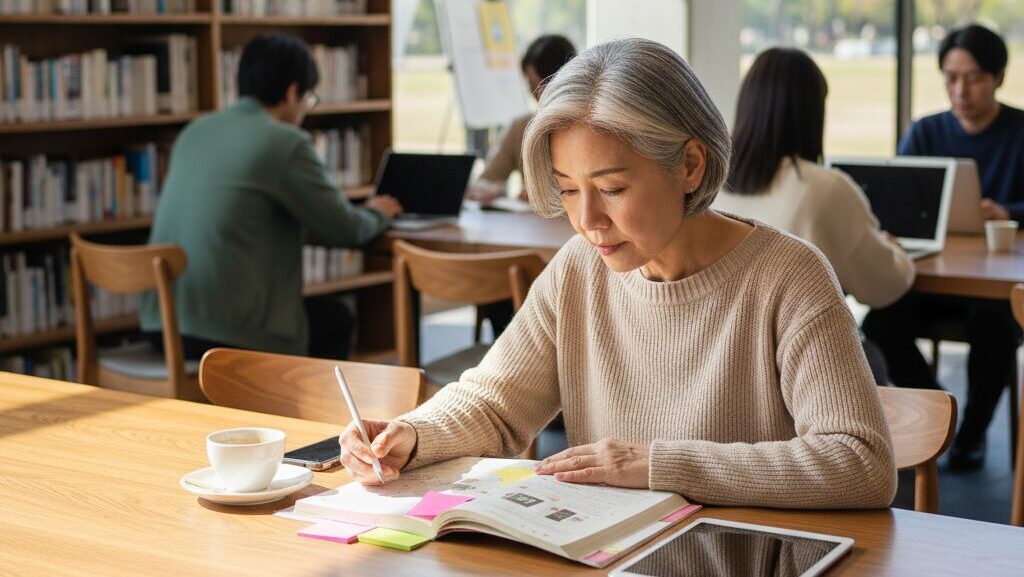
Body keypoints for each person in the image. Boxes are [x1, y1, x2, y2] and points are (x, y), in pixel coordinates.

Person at [340, 38, 896, 509]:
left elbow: (860, 462)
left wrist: (656, 463)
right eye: (567, 189)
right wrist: (412, 435)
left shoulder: (789, 277)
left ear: (690, 165)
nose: (586, 221)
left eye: (611, 189)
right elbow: (495, 403)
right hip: (607, 554)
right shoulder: (580, 270)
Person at [140, 34, 401, 361]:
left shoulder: (195, 131)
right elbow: (344, 230)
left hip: (160, 324)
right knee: (337, 319)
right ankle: (306, 414)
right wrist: (379, 212)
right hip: (226, 335)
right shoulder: (285, 142)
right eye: (309, 98)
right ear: (292, 92)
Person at [862, 24, 1024, 470]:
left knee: (996, 326)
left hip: (993, 286)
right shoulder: (926, 132)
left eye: (972, 78)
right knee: (880, 323)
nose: (960, 90)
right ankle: (942, 414)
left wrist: (1008, 211)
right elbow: (896, 205)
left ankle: (971, 434)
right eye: (951, 78)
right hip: (931, 278)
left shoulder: (1020, 131)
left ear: (998, 77)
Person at [715, 47, 914, 385]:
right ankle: (951, 427)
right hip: (808, 368)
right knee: (876, 356)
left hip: (724, 363)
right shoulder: (825, 189)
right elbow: (883, 287)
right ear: (812, 113)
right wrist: (897, 254)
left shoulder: (711, 181)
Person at [466, 34, 576, 205]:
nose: (538, 96)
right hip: (531, 227)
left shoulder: (591, 130)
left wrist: (546, 199)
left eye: (542, 87)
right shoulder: (522, 127)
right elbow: (488, 180)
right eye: (532, 87)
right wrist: (487, 189)